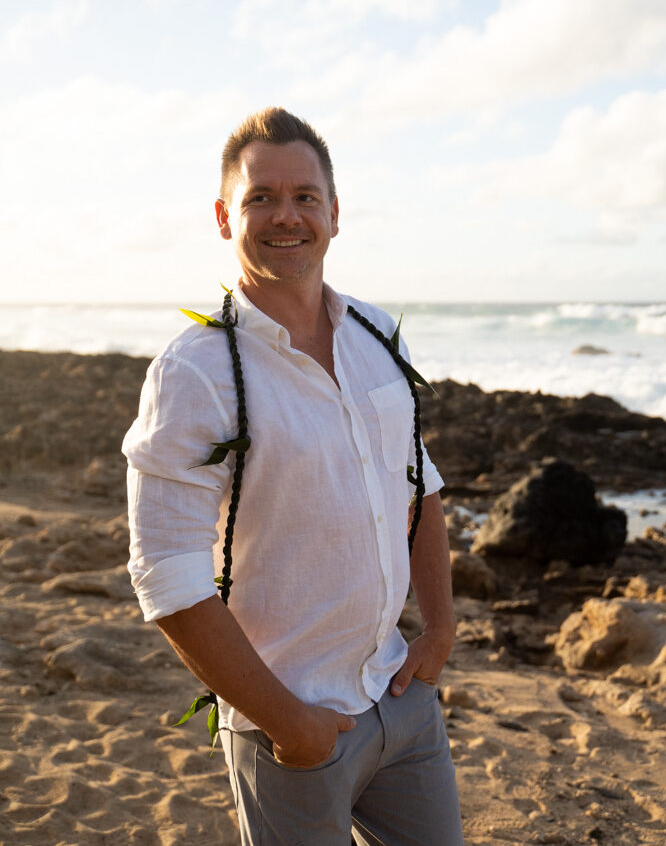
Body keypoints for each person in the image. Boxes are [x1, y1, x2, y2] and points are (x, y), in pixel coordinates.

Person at [122, 107, 464, 845]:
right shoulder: (196, 371)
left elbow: (418, 484)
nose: (287, 215)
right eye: (261, 198)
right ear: (225, 217)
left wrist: (438, 630)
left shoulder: (376, 334)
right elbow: (166, 573)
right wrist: (288, 722)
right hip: (292, 728)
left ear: (334, 212)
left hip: (400, 694)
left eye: (305, 196)